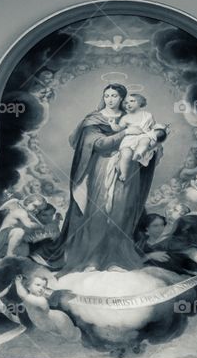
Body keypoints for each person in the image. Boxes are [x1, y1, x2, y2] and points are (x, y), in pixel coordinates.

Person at [59, 84, 159, 273]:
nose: (110, 99)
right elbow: (97, 144)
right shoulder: (94, 119)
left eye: (114, 95)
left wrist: (152, 142)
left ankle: (117, 259)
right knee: (97, 212)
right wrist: (125, 133)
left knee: (121, 211)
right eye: (107, 95)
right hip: (101, 168)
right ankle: (92, 259)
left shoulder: (135, 116)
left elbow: (150, 140)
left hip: (128, 170)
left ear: (122, 98)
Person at [113, 93, 168, 180]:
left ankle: (138, 154)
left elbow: (153, 128)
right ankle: (123, 174)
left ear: (140, 103)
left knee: (144, 142)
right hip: (129, 139)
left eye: (132, 101)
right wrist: (113, 125)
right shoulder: (125, 118)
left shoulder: (148, 116)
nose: (128, 104)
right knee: (126, 155)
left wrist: (162, 127)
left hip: (144, 136)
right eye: (126, 103)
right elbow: (119, 128)